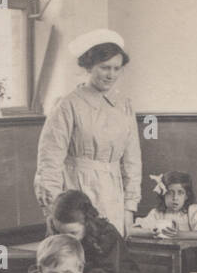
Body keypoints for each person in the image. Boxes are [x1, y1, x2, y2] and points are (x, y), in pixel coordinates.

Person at [34, 29, 142, 235]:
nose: (111, 74)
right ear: (89, 66)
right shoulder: (68, 105)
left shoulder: (124, 106)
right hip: (76, 191)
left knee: (108, 251)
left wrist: (129, 207)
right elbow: (49, 162)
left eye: (116, 68)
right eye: (104, 68)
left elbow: (132, 160)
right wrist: (54, 210)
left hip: (113, 196)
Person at [32, 190, 138, 273]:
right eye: (60, 233)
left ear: (87, 223)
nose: (66, 239)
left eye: (73, 233)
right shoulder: (55, 233)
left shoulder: (106, 234)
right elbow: (42, 261)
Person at [134, 171, 197, 235]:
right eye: (170, 193)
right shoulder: (157, 213)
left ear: (186, 195)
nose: (175, 198)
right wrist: (153, 232)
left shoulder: (194, 211)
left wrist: (179, 234)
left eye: (180, 193)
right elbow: (133, 231)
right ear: (163, 194)